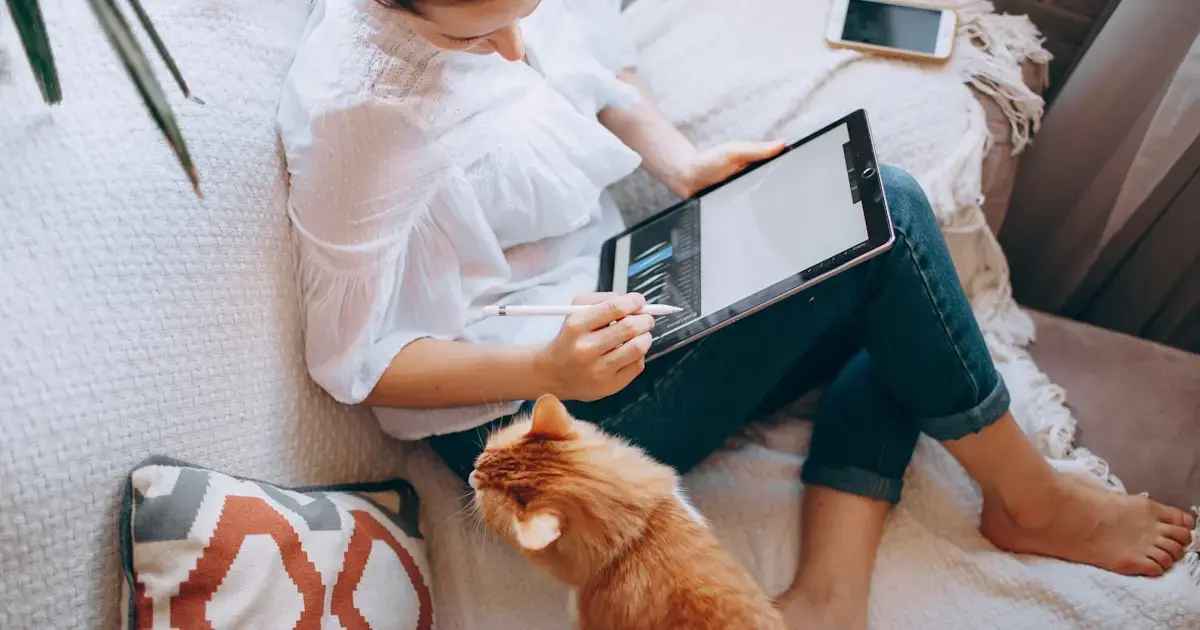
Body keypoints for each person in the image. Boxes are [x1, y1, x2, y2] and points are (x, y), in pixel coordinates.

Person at [277, 0, 1195, 627]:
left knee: (892, 273)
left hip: (617, 296)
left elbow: (600, 75)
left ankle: (827, 599)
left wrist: (681, 164)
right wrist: (545, 371)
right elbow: (354, 360)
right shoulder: (366, 110)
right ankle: (1027, 498)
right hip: (532, 421)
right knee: (895, 218)